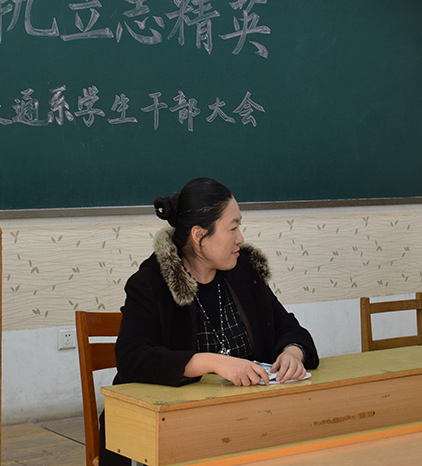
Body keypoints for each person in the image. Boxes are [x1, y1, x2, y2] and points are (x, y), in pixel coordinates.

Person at [101, 178, 319, 464]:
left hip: (242, 424)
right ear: (199, 235)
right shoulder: (151, 283)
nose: (240, 238)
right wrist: (211, 362)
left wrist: (293, 352)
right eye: (232, 228)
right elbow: (132, 358)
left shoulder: (245, 273)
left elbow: (288, 327)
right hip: (170, 430)